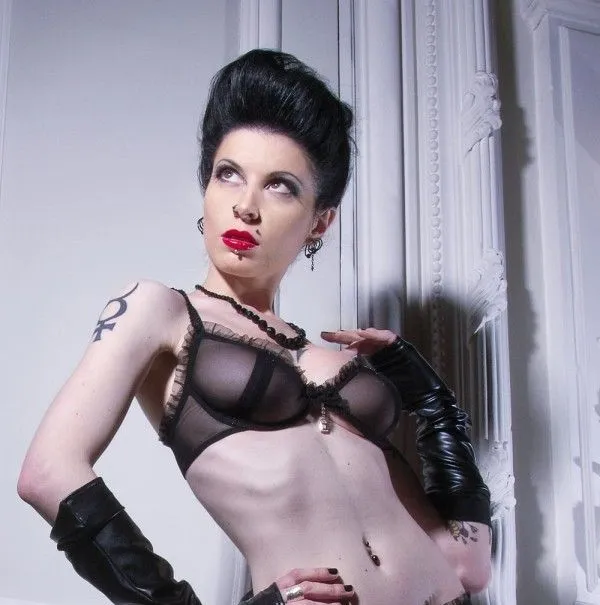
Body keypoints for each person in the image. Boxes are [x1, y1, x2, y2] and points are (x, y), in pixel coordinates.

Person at [18, 49, 492, 605]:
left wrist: (431, 398)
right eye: (229, 174)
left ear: (320, 222)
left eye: (280, 185)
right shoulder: (160, 311)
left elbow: (470, 563)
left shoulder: (328, 356)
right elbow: (47, 472)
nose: (246, 206)